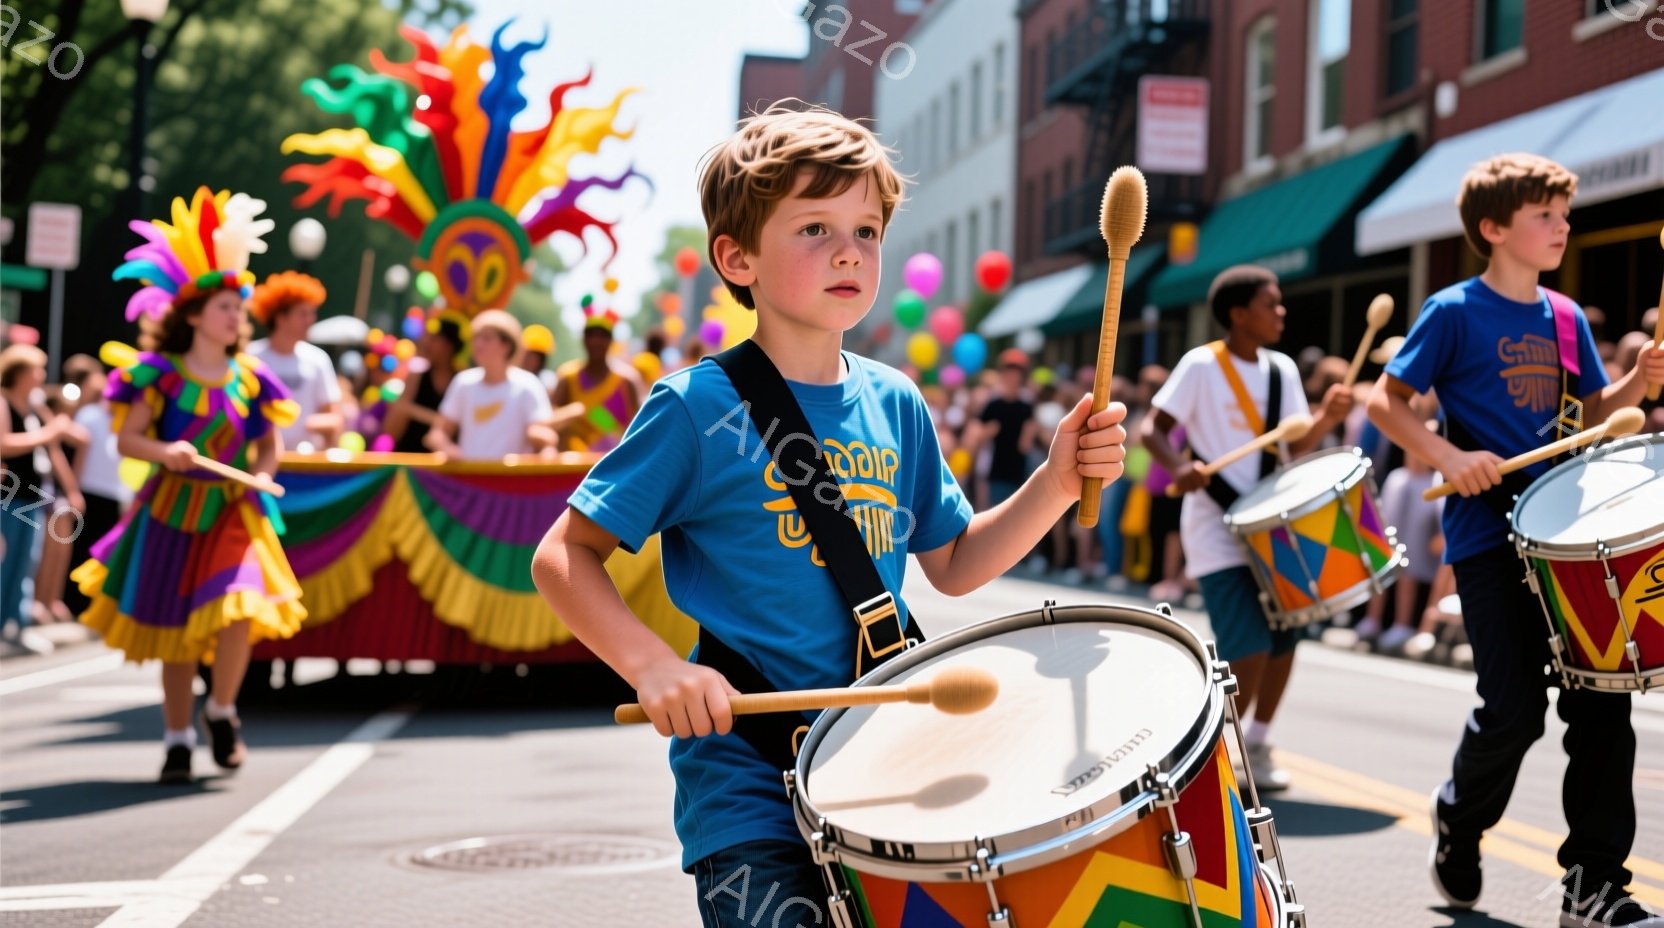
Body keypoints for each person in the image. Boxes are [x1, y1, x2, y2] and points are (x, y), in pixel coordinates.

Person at [530, 103, 1128, 927]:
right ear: (736, 257)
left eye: (868, 230)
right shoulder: (696, 407)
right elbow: (565, 555)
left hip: (884, 766)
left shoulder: (896, 400)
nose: (850, 250)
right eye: (814, 228)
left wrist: (1056, 482)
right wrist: (653, 666)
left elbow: (955, 562)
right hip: (749, 784)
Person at [1367, 153, 1664, 927]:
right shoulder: (1454, 311)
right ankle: (1460, 818)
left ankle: (1594, 885)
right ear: (1493, 229)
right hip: (1487, 532)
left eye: (1564, 213)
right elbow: (1386, 402)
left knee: (1602, 704)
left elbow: (1592, 413)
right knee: (1514, 709)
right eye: (1545, 215)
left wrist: (1638, 381)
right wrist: (1449, 455)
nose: (1563, 226)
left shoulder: (1565, 317)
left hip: (1565, 532)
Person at [74, 187, 306, 783]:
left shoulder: (252, 378)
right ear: (195, 315)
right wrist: (165, 451)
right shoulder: (157, 375)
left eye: (239, 307)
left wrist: (264, 475)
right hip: (172, 511)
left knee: (239, 609)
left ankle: (222, 709)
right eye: (225, 307)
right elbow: (127, 441)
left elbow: (267, 443)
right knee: (177, 633)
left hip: (234, 512)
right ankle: (178, 738)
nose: (236, 316)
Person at [1140, 264, 1354, 792]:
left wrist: (1326, 418)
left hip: (1270, 524)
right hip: (1215, 526)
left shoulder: (1282, 371)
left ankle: (1255, 742)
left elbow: (1295, 445)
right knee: (1249, 641)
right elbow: (1153, 429)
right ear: (1238, 315)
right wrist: (1179, 464)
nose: (1281, 312)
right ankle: (1217, 747)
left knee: (1286, 638)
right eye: (1270, 303)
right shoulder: (1200, 366)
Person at [0, 345, 86, 653]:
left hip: (31, 496)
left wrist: (71, 489)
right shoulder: (3, 402)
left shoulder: (35, 405)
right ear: (21, 373)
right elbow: (5, 444)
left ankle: (16, 625)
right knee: (5, 561)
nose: (42, 375)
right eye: (37, 369)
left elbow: (56, 446)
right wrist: (49, 432)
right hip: (7, 495)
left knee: (27, 561)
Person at [426, 309, 553, 459]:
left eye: (486, 338)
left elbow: (544, 437)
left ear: (507, 345)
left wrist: (542, 442)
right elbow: (436, 434)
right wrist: (446, 448)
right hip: (469, 479)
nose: (478, 343)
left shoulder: (528, 385)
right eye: (476, 337)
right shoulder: (463, 382)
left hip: (511, 480)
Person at [246, 272, 342, 451]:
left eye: (312, 313)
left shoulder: (318, 359)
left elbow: (334, 418)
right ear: (280, 318)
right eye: (303, 314)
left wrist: (297, 421)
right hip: (256, 463)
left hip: (301, 466)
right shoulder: (249, 356)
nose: (310, 320)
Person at [552, 308, 645, 452]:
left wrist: (599, 419)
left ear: (611, 340)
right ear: (583, 339)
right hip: (571, 469)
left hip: (613, 466)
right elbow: (550, 422)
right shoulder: (568, 376)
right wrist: (574, 412)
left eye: (603, 335)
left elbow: (640, 428)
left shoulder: (626, 380)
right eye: (590, 335)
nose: (596, 341)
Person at [385, 311, 464, 454]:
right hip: (409, 460)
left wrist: (413, 410)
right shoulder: (415, 377)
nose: (426, 343)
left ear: (449, 345)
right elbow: (391, 430)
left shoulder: (463, 381)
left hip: (445, 469)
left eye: (434, 339)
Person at [974, 347, 1037, 508]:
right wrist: (988, 431)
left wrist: (1031, 434)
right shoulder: (992, 405)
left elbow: (1026, 445)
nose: (1012, 376)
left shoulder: (1026, 406)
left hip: (1020, 472)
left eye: (1016, 372)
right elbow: (977, 437)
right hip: (998, 472)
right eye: (1008, 371)